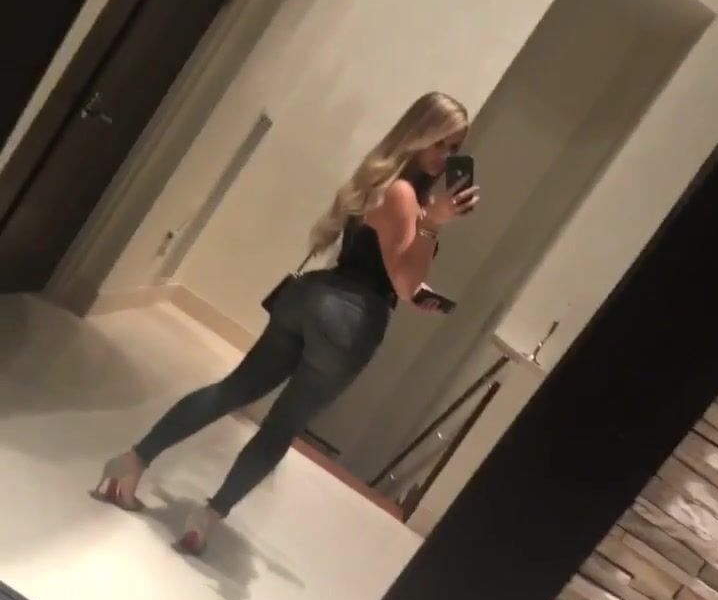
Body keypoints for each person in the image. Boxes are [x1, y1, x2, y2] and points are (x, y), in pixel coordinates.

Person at [93, 92, 479, 553]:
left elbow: (389, 267)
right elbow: (402, 281)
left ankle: (133, 460)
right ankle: (208, 517)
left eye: (454, 148)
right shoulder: (405, 196)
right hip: (351, 323)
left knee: (232, 390)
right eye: (440, 142)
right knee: (281, 426)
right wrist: (434, 225)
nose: (445, 156)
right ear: (418, 135)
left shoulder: (382, 180)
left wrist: (418, 280)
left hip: (312, 297)